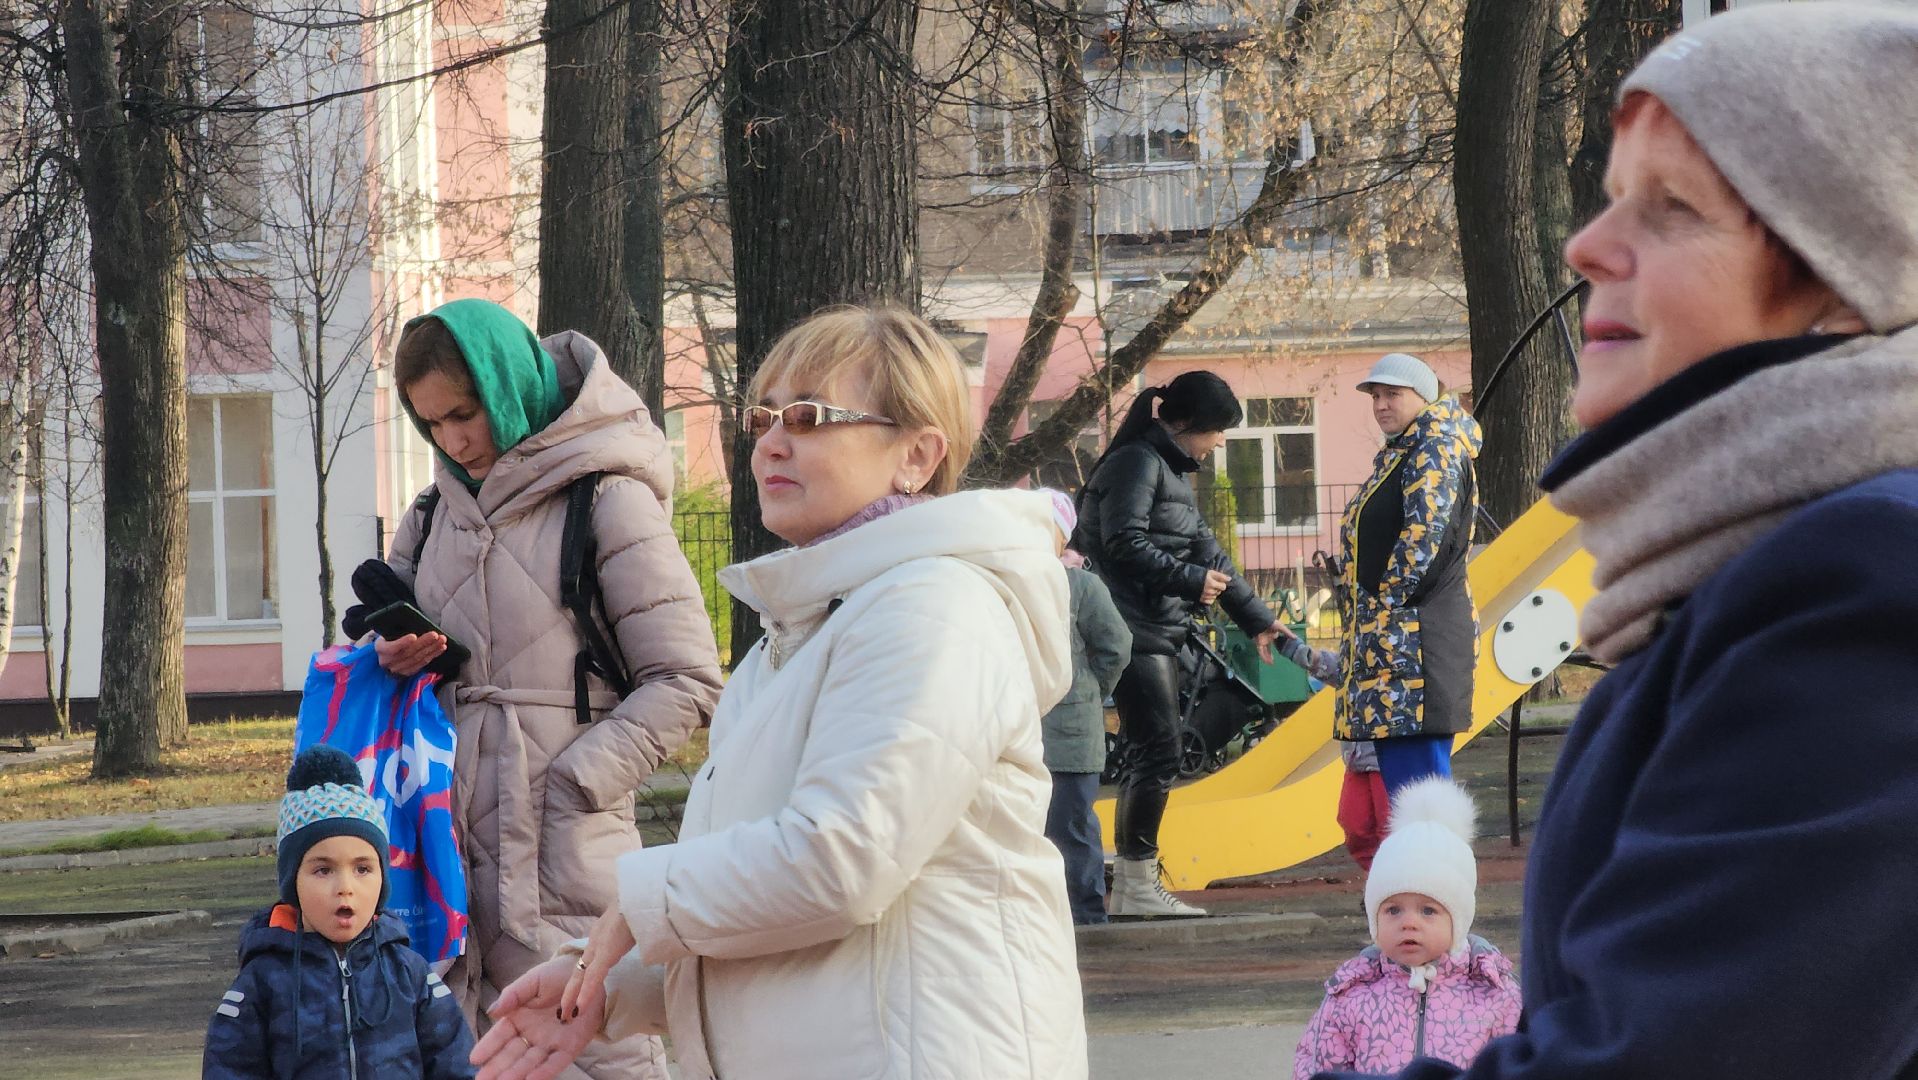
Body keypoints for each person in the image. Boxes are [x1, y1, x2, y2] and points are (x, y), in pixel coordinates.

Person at [1312, 5, 1918, 1078]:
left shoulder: (1855, 588)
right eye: (1606, 200)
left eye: (1672, 208)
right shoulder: (1743, 576)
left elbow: (1679, 1050)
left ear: (1843, 278)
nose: (1586, 245)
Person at [469, 306, 1088, 1080]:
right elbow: (771, 912)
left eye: (810, 416)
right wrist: (607, 988)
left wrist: (641, 900)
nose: (771, 441)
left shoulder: (932, 608)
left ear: (918, 455)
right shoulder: (794, 636)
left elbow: (839, 864)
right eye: (762, 417)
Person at [376, 298, 723, 1079]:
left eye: (464, 413)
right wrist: (389, 652)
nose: (453, 439)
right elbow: (373, 653)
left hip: (564, 854)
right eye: (430, 424)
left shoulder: (607, 497)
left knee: (596, 1047)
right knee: (470, 1054)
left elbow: (688, 677)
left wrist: (574, 783)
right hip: (443, 848)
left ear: (505, 385)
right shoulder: (430, 516)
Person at [1071, 370, 1292, 918]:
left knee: (1155, 752)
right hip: (1131, 627)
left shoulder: (1167, 470)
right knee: (1158, 752)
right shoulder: (1138, 464)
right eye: (1219, 431)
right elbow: (1122, 543)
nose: (1221, 443)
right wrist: (1187, 581)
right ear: (1189, 423)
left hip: (1150, 627)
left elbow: (1209, 552)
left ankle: (1133, 883)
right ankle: (1137, 885)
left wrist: (1258, 618)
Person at [203, 746, 477, 1079]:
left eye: (362, 869)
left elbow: (457, 1064)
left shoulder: (409, 973)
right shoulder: (262, 980)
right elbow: (229, 1069)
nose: (345, 887)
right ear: (293, 883)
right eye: (323, 870)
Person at [1293, 779, 1519, 1079]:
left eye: (1428, 910)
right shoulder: (1350, 995)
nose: (1408, 922)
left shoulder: (1495, 994)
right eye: (1392, 910)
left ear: (1459, 919)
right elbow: (1316, 1067)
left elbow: (1521, 1066)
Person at [1332, 352, 1481, 797]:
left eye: (1393, 394)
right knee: (1410, 797)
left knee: (1421, 799)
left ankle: (1435, 870)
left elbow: (1422, 542)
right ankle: (1424, 867)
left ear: (1425, 396)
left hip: (1416, 647)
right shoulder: (1403, 452)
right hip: (1399, 648)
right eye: (1376, 395)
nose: (1380, 404)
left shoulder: (1434, 449)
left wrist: (1381, 606)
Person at [1038, 488, 1133, 926]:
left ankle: (1086, 918)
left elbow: (1117, 646)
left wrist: (1089, 690)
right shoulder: (1031, 582)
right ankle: (1069, 917)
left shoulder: (1079, 586)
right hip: (1046, 732)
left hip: (1069, 735)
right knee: (1058, 829)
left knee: (1071, 828)